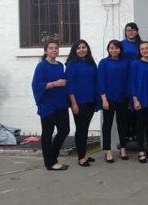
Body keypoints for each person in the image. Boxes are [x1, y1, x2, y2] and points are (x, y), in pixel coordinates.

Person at [31, 40, 70, 171]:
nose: (54, 50)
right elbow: (36, 85)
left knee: (64, 130)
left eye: (56, 48)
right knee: (48, 133)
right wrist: (55, 84)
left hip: (61, 104)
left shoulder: (60, 65)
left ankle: (52, 157)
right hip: (48, 105)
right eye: (51, 48)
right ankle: (51, 163)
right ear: (46, 50)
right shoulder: (42, 66)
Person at [66, 39, 98, 167]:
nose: (81, 50)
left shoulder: (91, 63)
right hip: (78, 102)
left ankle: (83, 154)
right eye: (78, 48)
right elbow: (70, 86)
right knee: (81, 129)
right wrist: (73, 103)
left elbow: (96, 81)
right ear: (75, 50)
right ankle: (80, 157)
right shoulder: (71, 64)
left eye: (84, 47)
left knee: (85, 128)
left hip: (90, 100)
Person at [98, 40, 131, 162]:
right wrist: (103, 99)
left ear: (120, 50)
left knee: (122, 124)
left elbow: (128, 80)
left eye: (116, 48)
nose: (114, 50)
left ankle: (123, 148)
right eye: (111, 48)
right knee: (107, 124)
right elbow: (100, 81)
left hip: (122, 98)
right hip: (108, 99)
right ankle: (108, 150)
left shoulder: (126, 63)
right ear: (108, 49)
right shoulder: (104, 63)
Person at [130, 41, 148, 163]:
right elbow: (133, 82)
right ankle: (141, 150)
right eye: (142, 49)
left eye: (147, 48)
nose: (145, 50)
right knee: (140, 126)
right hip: (140, 99)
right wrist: (135, 99)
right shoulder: (135, 64)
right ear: (140, 51)